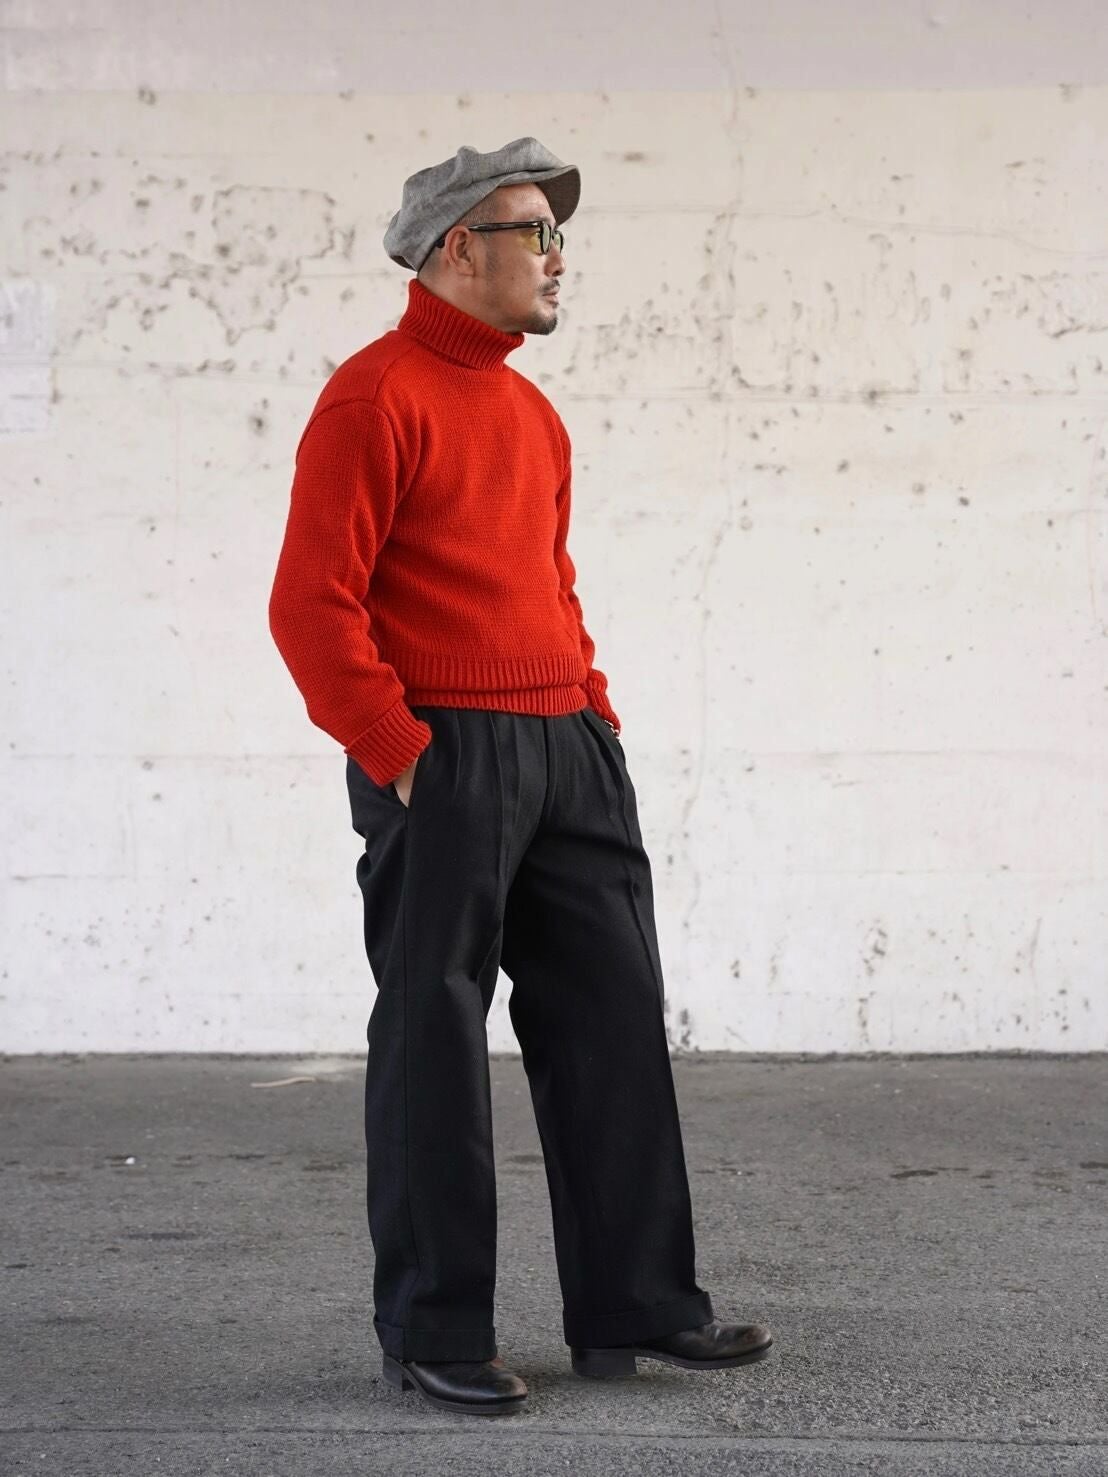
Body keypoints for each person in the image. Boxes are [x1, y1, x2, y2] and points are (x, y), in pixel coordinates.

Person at [267, 136, 773, 1418]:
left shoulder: (531, 414)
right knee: (433, 1036)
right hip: (444, 749)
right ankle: (434, 1328)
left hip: (565, 746)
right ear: (458, 248)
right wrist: (398, 752)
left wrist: (592, 714)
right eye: (534, 233)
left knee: (612, 1022)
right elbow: (310, 607)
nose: (558, 258)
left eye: (559, 234)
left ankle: (637, 1303)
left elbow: (549, 584)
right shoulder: (373, 398)